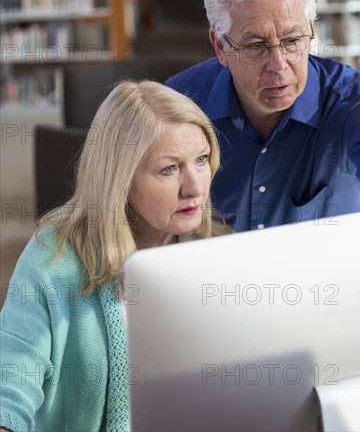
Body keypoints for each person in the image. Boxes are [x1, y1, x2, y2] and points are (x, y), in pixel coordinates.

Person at [0, 80, 230, 432]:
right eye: (169, 169)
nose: (195, 187)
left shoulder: (222, 250)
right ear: (120, 180)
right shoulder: (55, 256)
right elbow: (10, 382)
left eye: (200, 160)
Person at [166, 0, 360, 232]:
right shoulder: (181, 101)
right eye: (256, 46)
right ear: (220, 45)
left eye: (292, 40)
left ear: (311, 33)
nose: (278, 65)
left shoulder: (350, 101)